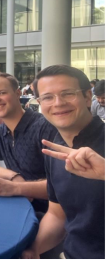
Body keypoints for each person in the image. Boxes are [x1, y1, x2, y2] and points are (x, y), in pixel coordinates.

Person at [21, 65, 106, 260]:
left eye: (67, 94)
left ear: (87, 97)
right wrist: (33, 249)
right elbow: (57, 215)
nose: (58, 103)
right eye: (48, 97)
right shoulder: (55, 150)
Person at [0, 73, 57, 212]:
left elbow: (64, 186)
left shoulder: (44, 127)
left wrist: (18, 188)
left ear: (18, 93)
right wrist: (13, 176)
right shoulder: (1, 131)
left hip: (47, 214)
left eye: (2, 93)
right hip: (18, 207)